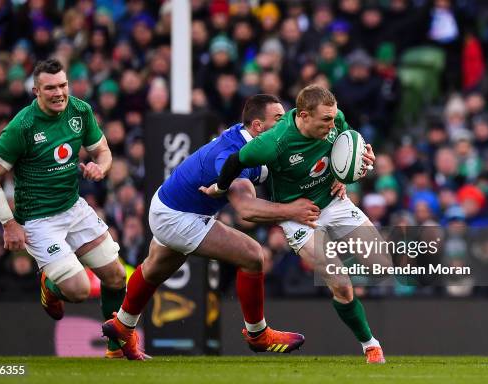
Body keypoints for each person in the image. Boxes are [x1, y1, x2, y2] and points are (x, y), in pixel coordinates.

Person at [103, 94, 344, 360]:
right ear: (257, 126)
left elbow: (292, 167)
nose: (287, 123)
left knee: (155, 269)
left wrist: (337, 174)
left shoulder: (259, 143)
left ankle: (122, 326)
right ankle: (258, 334)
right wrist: (293, 210)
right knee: (253, 255)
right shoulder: (231, 156)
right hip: (179, 215)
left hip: (169, 203)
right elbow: (246, 209)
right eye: (278, 119)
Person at [204, 85, 390, 364]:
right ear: (303, 115)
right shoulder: (274, 142)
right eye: (325, 120)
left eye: (334, 117)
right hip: (299, 216)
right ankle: (370, 345)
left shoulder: (334, 118)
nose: (332, 123)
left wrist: (353, 170)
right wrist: (220, 186)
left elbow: (351, 145)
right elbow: (235, 160)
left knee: (382, 266)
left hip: (334, 201)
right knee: (340, 284)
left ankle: (339, 262)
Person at [0, 59, 130, 358]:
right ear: (36, 91)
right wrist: (9, 224)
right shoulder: (22, 126)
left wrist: (101, 168)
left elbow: (103, 151)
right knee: (78, 291)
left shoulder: (80, 111)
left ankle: (116, 348)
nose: (59, 92)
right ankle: (50, 284)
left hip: (73, 208)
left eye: (63, 85)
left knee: (115, 276)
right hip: (37, 220)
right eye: (50, 88)